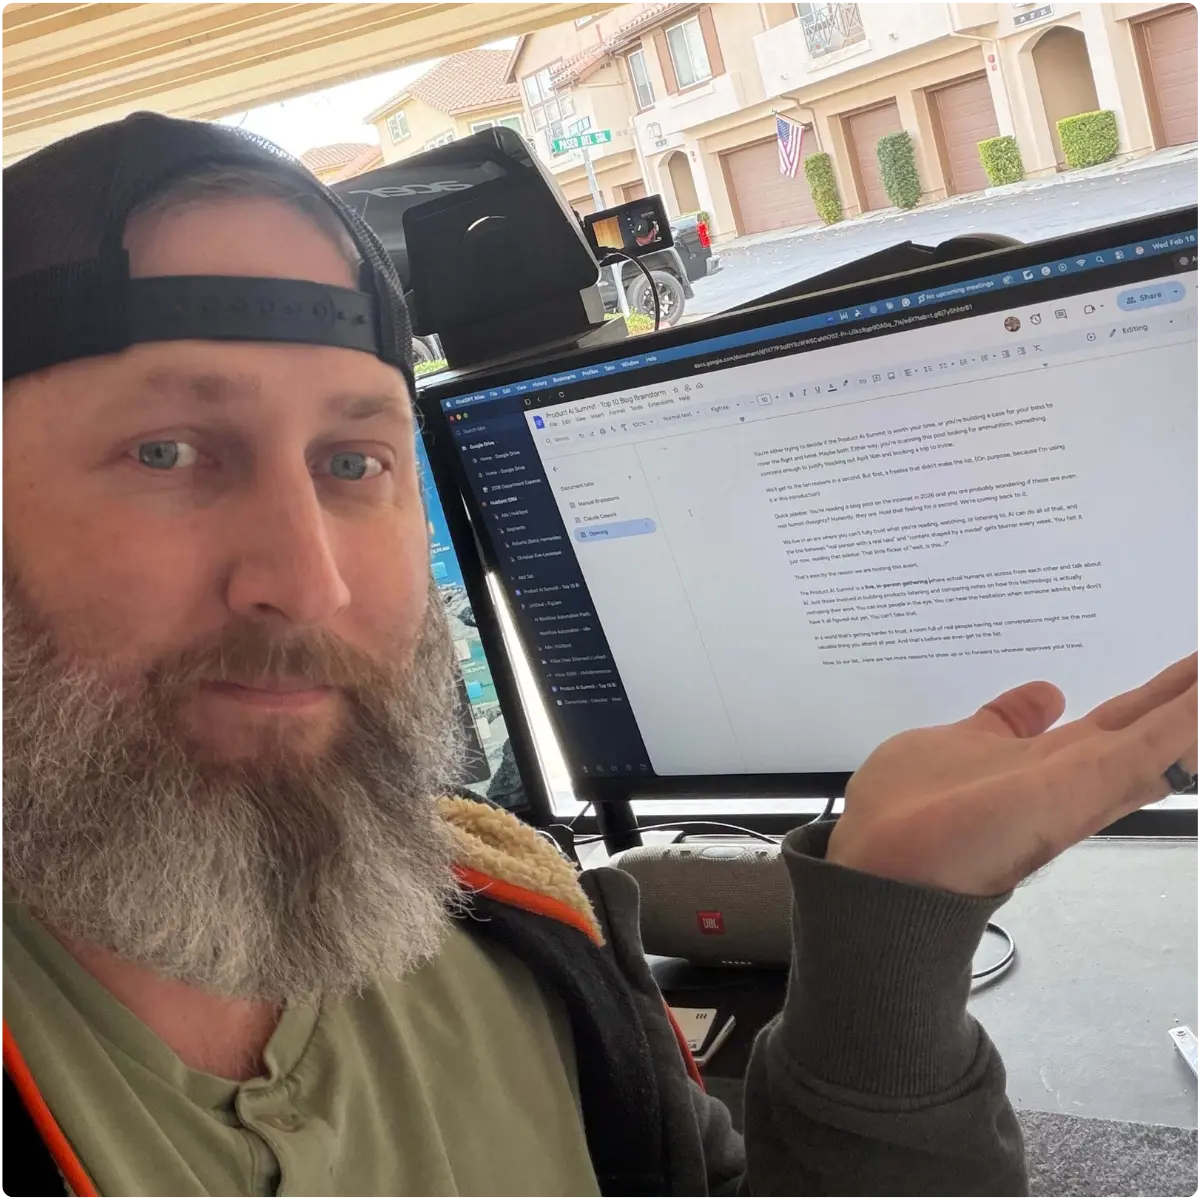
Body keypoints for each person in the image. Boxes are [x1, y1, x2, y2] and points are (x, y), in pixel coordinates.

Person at [1, 113, 1195, 1200]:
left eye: (353, 461)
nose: (309, 583)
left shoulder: (524, 934)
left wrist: (894, 918)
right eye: (165, 451)